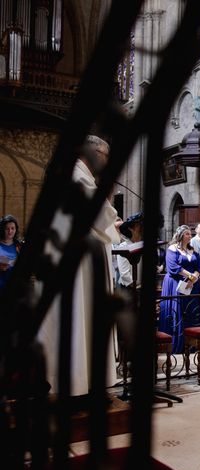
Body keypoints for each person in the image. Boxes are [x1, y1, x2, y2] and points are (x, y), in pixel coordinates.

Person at [38, 135, 121, 398]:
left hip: (73, 261)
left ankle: (79, 383)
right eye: (105, 157)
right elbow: (99, 215)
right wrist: (111, 212)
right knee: (80, 320)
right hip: (79, 265)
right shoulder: (78, 177)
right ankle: (77, 385)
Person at [158, 225, 200, 353]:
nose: (190, 236)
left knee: (191, 310)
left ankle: (191, 344)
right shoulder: (172, 249)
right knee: (177, 311)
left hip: (192, 285)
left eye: (191, 233)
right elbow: (173, 267)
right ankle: (176, 344)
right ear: (181, 235)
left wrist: (194, 277)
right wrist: (190, 276)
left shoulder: (192, 250)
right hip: (176, 283)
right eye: (188, 234)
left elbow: (199, 265)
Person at [115, 212, 144, 291]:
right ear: (131, 228)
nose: (142, 228)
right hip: (129, 289)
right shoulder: (124, 246)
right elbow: (125, 274)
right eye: (139, 225)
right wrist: (138, 287)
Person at [0, 214, 22, 293]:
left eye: (13, 228)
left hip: (15, 291)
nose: (10, 231)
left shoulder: (19, 246)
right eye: (7, 229)